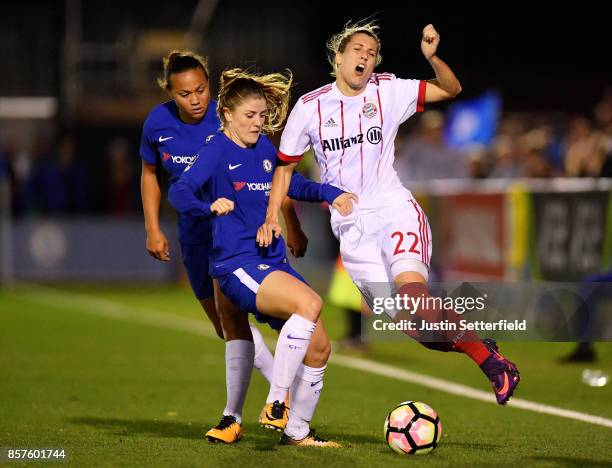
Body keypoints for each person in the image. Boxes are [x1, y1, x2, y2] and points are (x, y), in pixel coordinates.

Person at [260, 20, 521, 405]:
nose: (365, 57)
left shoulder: (389, 90)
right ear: (338, 57)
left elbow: (451, 89)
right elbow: (284, 170)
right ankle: (479, 344)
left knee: (415, 298)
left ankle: (492, 364)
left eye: (371, 52)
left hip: (393, 210)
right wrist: (284, 222)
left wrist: (432, 59)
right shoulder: (310, 107)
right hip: (351, 229)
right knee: (416, 330)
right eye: (357, 50)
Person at [169, 68, 356, 447]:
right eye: (249, 116)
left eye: (261, 116)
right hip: (236, 262)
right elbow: (181, 190)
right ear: (227, 116)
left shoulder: (265, 149)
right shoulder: (217, 149)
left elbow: (292, 184)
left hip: (270, 260)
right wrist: (208, 207)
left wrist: (331, 192)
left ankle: (297, 432)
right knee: (309, 303)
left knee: (320, 348)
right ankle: (275, 403)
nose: (258, 123)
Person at [140, 51, 307, 444]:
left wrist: (291, 222)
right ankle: (277, 399)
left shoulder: (231, 116)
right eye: (184, 93)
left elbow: (268, 174)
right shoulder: (157, 123)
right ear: (170, 92)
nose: (195, 99)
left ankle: (280, 402)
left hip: (236, 237)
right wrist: (152, 227)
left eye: (201, 89)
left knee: (248, 319)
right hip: (194, 234)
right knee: (225, 327)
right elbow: (150, 173)